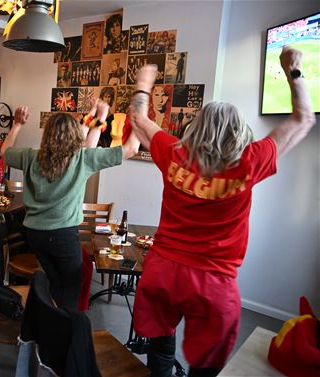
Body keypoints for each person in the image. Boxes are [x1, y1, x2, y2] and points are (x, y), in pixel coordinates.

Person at [128, 47, 315, 377]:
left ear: (197, 128)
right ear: (239, 132)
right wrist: (293, 71)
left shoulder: (173, 153)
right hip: (212, 285)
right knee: (207, 363)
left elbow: (138, 120)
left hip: (164, 273)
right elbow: (304, 119)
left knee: (159, 340)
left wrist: (144, 82)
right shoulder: (249, 161)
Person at [1, 101, 140, 310]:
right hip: (62, 236)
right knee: (72, 290)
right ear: (75, 136)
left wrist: (18, 125)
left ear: (47, 134)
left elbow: (4, 151)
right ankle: (64, 333)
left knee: (55, 282)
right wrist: (139, 119)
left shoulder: (31, 156)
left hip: (34, 234)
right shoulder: (81, 159)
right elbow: (131, 149)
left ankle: (42, 327)